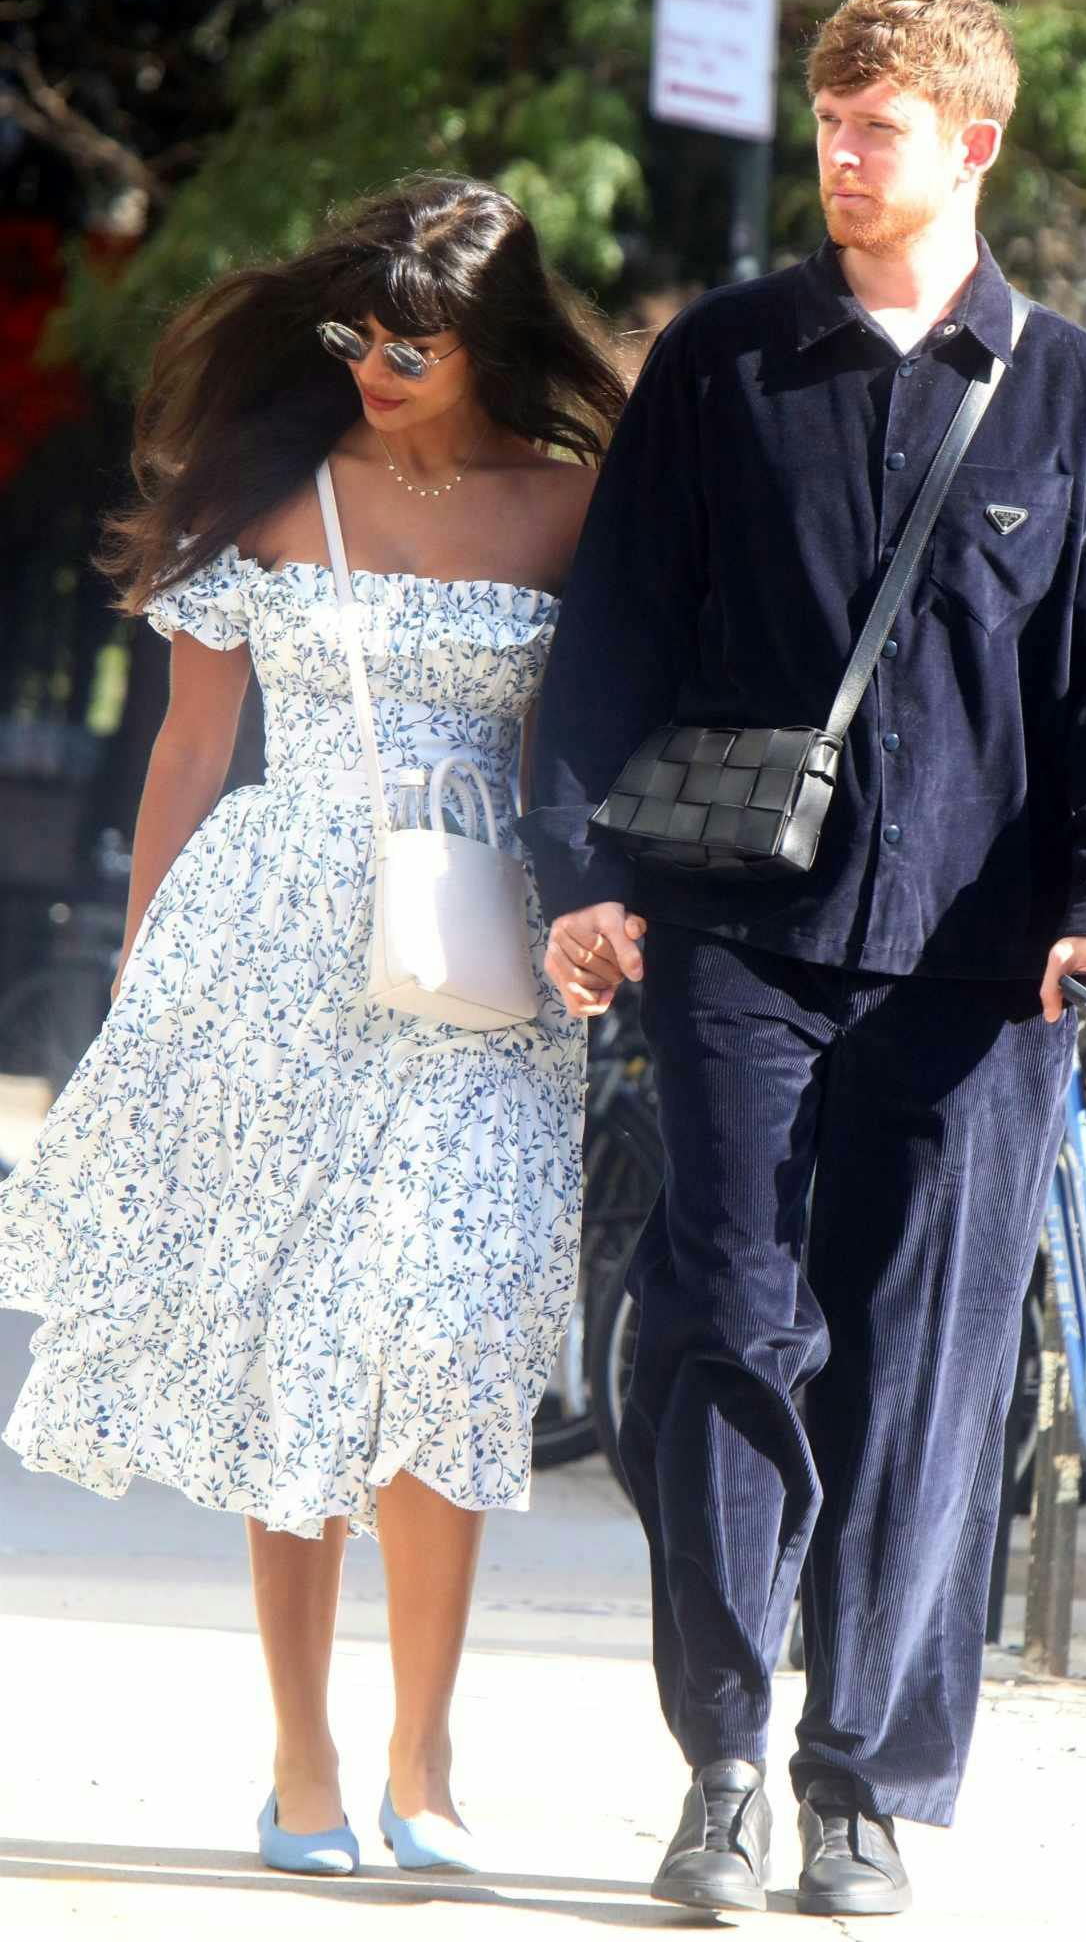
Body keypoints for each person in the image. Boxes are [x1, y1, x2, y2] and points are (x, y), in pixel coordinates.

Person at [522, 0, 1086, 1920]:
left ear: (969, 143)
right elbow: (610, 650)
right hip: (735, 940)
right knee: (725, 1324)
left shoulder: (1073, 395)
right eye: (827, 116)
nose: (839, 152)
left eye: (876, 124)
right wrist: (583, 872)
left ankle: (863, 1785)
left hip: (980, 983)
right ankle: (721, 1762)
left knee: (920, 1370)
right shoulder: (726, 363)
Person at [0, 174, 624, 1877]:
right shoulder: (268, 497)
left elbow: (616, 731)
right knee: (305, 1345)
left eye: (409, 341)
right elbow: (192, 753)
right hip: (272, 946)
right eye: (352, 334)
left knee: (446, 1332)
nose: (370, 365)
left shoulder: (577, 507)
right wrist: (143, 985)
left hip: (485, 954)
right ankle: (301, 1760)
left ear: (489, 338)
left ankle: (427, 1761)